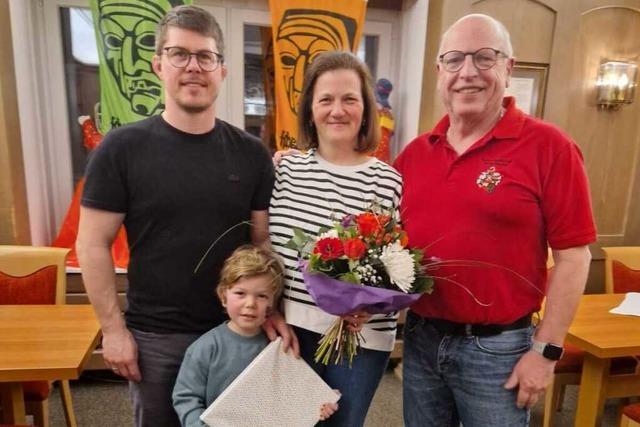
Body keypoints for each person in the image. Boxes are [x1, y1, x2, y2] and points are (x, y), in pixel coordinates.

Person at [76, 6, 296, 427]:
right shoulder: (120, 149)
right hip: (156, 338)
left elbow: (261, 243)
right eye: (180, 54)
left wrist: (270, 309)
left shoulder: (252, 154)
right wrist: (114, 330)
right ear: (159, 64)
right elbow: (91, 244)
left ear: (222, 70)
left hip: (237, 331)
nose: (193, 67)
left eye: (205, 56)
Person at [393, 14, 596, 426]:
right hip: (421, 339)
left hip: (499, 352)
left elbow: (575, 257)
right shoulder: (413, 155)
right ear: (439, 72)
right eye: (454, 60)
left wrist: (546, 351)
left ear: (509, 68)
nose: (467, 72)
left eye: (484, 57)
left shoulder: (550, 147)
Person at [269, 51, 403, 427]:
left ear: (366, 109)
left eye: (349, 99)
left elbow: (396, 263)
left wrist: (372, 304)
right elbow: (263, 245)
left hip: (361, 342)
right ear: (310, 109)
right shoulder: (284, 169)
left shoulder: (388, 180)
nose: (337, 110)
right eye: (326, 99)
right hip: (290, 330)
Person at [172, 245, 337, 426]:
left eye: (261, 296)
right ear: (223, 296)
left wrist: (319, 405)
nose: (250, 303)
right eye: (240, 293)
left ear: (272, 304)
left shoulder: (279, 346)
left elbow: (293, 394)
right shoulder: (206, 347)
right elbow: (186, 397)